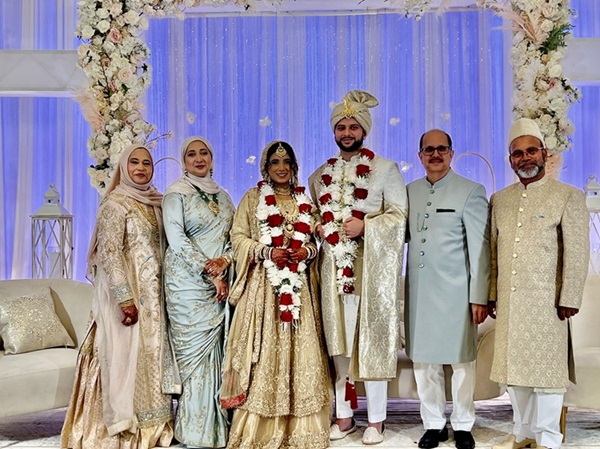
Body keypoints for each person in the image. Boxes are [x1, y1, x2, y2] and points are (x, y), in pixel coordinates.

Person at [309, 90, 407, 445]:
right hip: (334, 271)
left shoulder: (385, 170)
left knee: (371, 344)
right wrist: (318, 227)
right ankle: (345, 415)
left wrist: (366, 226)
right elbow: (311, 216)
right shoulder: (321, 174)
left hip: (371, 272)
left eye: (353, 127)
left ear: (364, 130)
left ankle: (377, 421)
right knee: (339, 346)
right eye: (341, 127)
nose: (347, 133)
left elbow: (400, 217)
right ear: (334, 132)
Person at [61, 145, 176, 449]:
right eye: (134, 162)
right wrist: (124, 298)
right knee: (123, 357)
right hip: (126, 298)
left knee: (152, 355)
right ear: (123, 168)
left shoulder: (156, 202)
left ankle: (155, 425)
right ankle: (123, 428)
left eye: (147, 163)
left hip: (155, 296)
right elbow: (109, 253)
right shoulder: (115, 204)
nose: (141, 168)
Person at [220, 140, 332, 449]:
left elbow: (314, 241)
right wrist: (266, 251)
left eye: (286, 162)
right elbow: (237, 237)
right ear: (266, 168)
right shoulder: (253, 198)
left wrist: (307, 252)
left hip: (300, 290)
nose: (281, 168)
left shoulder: (304, 200)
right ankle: (261, 427)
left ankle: (301, 428)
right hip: (264, 290)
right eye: (274, 162)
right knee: (265, 353)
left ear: (294, 167)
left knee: (301, 352)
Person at [489, 118, 590, 449]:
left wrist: (569, 296)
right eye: (517, 153)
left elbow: (577, 251)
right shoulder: (499, 199)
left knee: (547, 375)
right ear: (510, 160)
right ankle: (524, 433)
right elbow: (492, 252)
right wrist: (492, 295)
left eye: (531, 151)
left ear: (545, 154)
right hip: (510, 301)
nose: (525, 158)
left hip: (549, 301)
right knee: (514, 372)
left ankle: (548, 438)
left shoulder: (567, 196)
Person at [405, 129, 490, 449]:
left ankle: (464, 424)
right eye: (429, 150)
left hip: (457, 294)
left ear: (452, 153)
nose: (436, 155)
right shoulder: (409, 192)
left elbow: (480, 250)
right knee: (424, 362)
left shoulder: (471, 191)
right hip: (420, 294)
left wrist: (478, 296)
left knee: (462, 362)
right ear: (420, 156)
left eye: (442, 149)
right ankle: (434, 423)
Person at [163, 136, 235, 448]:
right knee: (194, 355)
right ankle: (193, 430)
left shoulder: (224, 196)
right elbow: (176, 239)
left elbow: (234, 237)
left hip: (220, 282)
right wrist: (210, 270)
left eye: (204, 152)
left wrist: (225, 263)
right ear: (184, 161)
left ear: (212, 158)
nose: (198, 158)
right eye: (191, 154)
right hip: (187, 284)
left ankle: (217, 429)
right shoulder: (175, 193)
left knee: (217, 352)